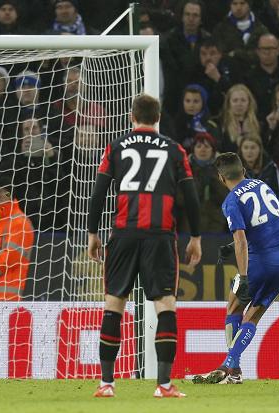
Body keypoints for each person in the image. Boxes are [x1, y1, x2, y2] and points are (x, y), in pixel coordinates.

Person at [88, 94, 202, 398]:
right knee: (165, 305)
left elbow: (98, 192)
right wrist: (196, 236)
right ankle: (163, 385)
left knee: (114, 304)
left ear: (131, 116)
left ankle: (106, 384)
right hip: (160, 235)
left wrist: (92, 233)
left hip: (124, 235)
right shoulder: (175, 150)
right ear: (159, 117)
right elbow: (190, 196)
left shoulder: (115, 147)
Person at [192, 152, 279, 384]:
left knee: (234, 306)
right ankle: (233, 369)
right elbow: (268, 224)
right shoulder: (262, 185)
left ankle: (231, 366)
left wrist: (245, 276)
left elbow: (240, 240)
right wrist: (231, 246)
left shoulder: (231, 201)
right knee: (253, 315)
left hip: (260, 263)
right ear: (244, 171)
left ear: (221, 178)